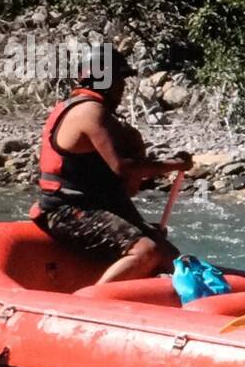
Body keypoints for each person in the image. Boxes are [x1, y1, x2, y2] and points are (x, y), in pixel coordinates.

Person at [30, 44, 192, 283]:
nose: (123, 88)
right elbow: (124, 167)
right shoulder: (90, 113)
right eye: (119, 80)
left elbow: (122, 181)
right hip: (67, 210)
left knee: (172, 258)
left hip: (93, 205)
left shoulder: (96, 112)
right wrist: (175, 165)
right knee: (147, 251)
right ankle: (91, 303)